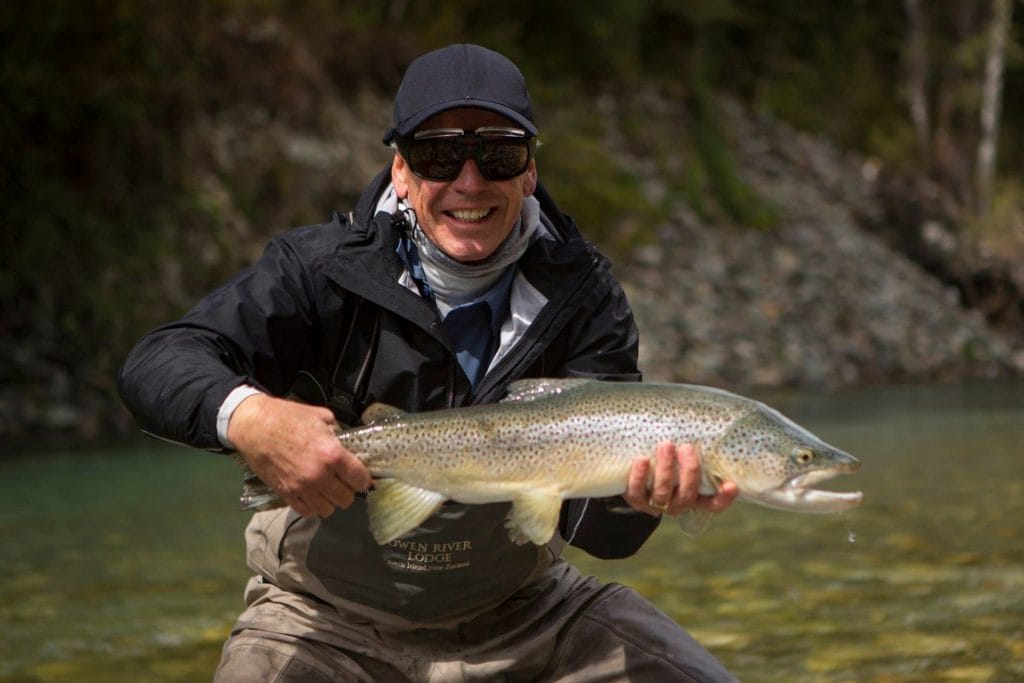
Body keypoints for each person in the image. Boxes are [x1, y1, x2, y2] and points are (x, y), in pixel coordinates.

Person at [119, 43, 739, 682]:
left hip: (526, 616)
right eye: (438, 155)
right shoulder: (317, 271)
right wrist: (251, 419)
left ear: (529, 171)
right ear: (401, 172)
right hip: (325, 620)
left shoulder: (582, 293)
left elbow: (604, 538)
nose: (469, 182)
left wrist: (651, 496)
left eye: (497, 153)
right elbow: (158, 361)